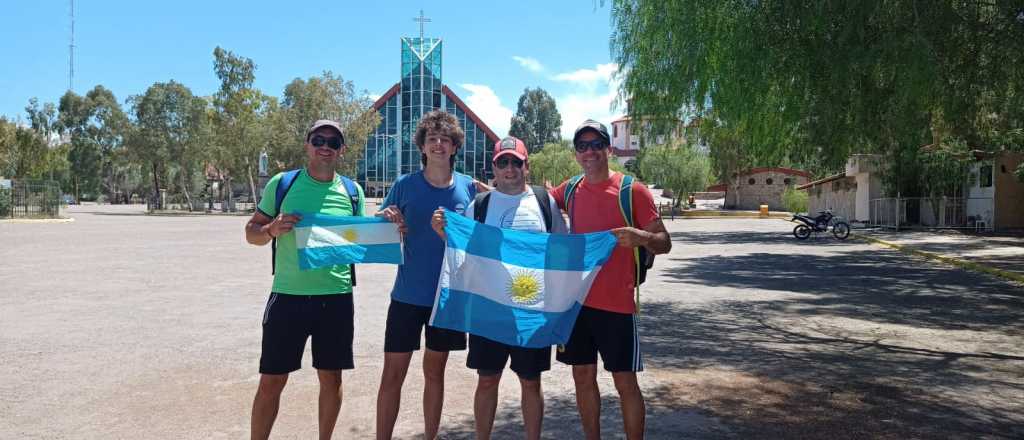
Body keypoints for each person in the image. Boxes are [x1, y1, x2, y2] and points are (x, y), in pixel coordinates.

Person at [429, 136, 568, 440]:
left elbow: (561, 254)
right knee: (487, 380)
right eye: (503, 162)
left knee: (531, 382)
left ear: (526, 166)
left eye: (515, 162)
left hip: (532, 311)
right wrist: (443, 234)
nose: (509, 168)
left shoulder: (545, 202)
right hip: (488, 310)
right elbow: (462, 251)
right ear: (494, 166)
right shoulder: (480, 205)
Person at [243, 120, 366, 440]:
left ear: (342, 150)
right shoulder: (282, 184)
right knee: (271, 380)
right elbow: (251, 233)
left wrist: (391, 228)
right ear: (307, 144)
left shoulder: (353, 193)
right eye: (319, 139)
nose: (326, 146)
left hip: (336, 297)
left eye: (333, 142)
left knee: (332, 378)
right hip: (288, 296)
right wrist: (270, 230)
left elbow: (362, 241)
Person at [550, 120, 672, 440]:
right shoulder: (571, 189)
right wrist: (487, 195)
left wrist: (641, 236)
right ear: (576, 153)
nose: (589, 151)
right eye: (582, 146)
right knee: (582, 376)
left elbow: (664, 241)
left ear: (609, 149)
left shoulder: (632, 191)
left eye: (595, 145)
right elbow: (533, 205)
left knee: (625, 383)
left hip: (616, 303)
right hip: (576, 303)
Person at [375, 110, 480, 440]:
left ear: (454, 147)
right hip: (406, 296)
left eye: (445, 140)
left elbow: (502, 207)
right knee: (393, 374)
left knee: (435, 373)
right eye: (432, 139)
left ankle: (431, 436)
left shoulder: (469, 188)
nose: (438, 144)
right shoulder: (404, 185)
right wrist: (386, 217)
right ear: (422, 145)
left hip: (447, 298)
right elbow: (379, 226)